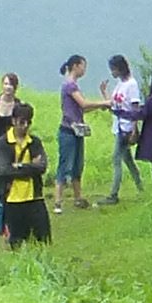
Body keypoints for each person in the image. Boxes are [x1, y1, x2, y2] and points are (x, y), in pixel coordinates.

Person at [0, 74, 30, 237]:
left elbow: (23, 129)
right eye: (6, 84)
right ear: (2, 85)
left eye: (11, 85)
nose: (8, 87)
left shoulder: (19, 105)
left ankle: (10, 216)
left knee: (10, 180)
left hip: (11, 147)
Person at [0, 111, 53, 249]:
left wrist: (19, 166)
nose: (25, 126)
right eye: (22, 122)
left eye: (28, 122)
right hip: (13, 199)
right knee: (17, 242)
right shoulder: (3, 143)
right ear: (13, 121)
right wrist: (32, 167)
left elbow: (42, 167)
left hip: (35, 197)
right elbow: (4, 171)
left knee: (43, 239)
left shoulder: (35, 142)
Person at [101, 54, 150, 204]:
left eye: (113, 69)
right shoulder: (121, 84)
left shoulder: (131, 85)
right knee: (127, 160)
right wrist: (104, 93)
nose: (112, 72)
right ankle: (141, 188)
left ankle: (114, 194)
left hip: (126, 128)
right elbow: (115, 104)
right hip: (119, 126)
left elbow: (135, 109)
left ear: (120, 69)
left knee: (116, 158)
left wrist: (135, 130)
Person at [55, 56, 91, 206]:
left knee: (77, 165)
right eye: (83, 66)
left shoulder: (72, 85)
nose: (84, 69)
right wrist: (106, 102)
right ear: (76, 66)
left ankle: (78, 198)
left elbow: (81, 108)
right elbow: (83, 104)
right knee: (65, 165)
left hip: (77, 131)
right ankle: (58, 200)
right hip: (68, 131)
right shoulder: (70, 85)